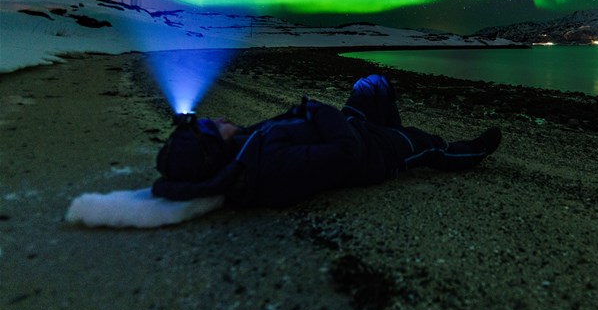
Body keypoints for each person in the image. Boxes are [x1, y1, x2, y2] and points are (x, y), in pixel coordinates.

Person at [152, 74, 501, 208]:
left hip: (349, 126)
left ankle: (396, 129)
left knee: (371, 83)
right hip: (372, 152)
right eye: (213, 126)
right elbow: (346, 153)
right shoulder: (269, 166)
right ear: (215, 146)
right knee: (430, 145)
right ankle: (475, 150)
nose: (218, 118)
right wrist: (314, 107)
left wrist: (313, 114)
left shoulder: (246, 148)